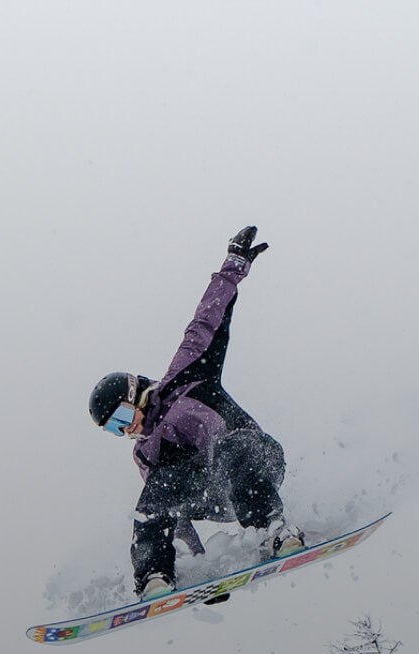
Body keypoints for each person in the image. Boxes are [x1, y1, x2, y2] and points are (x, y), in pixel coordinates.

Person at [88, 225, 304, 600]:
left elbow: (205, 321)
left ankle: (273, 530)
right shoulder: (146, 453)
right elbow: (171, 513)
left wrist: (234, 263)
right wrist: (200, 573)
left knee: (232, 449)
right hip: (212, 494)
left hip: (253, 462)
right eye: (114, 430)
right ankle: (156, 574)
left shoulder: (184, 377)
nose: (126, 431)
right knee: (157, 489)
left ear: (134, 395)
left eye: (122, 418)